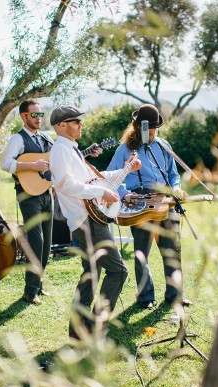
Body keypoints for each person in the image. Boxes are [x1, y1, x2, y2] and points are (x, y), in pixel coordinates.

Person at [48, 105, 141, 338]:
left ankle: (78, 333)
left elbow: (94, 178)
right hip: (87, 220)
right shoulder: (60, 150)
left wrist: (127, 169)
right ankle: (95, 327)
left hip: (89, 217)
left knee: (92, 274)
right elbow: (66, 184)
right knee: (118, 271)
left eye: (80, 121)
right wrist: (100, 194)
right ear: (61, 125)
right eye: (75, 121)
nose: (81, 125)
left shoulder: (72, 149)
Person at [107, 104, 191, 309]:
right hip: (140, 202)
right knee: (142, 252)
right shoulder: (125, 148)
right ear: (137, 127)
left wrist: (176, 188)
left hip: (165, 200)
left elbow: (172, 174)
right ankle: (145, 297)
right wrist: (125, 194)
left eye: (154, 127)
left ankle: (175, 296)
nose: (152, 131)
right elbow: (110, 177)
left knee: (172, 250)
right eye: (148, 128)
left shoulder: (163, 145)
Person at [0, 99, 54, 305]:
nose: (39, 119)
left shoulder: (47, 138)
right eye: (34, 115)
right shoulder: (17, 139)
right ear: (24, 116)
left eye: (40, 115)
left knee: (47, 243)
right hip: (28, 195)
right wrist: (33, 164)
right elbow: (5, 163)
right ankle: (30, 292)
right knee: (36, 241)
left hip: (47, 194)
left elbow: (59, 159)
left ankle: (38, 285)